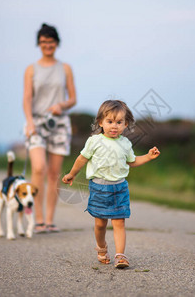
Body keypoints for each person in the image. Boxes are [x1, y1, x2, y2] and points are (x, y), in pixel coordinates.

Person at [62, 100, 160, 268]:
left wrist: (148, 157)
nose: (114, 126)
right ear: (101, 122)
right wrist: (72, 174)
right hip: (99, 188)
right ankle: (101, 247)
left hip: (120, 188)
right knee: (100, 224)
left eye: (119, 122)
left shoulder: (125, 144)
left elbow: (133, 161)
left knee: (119, 222)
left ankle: (120, 256)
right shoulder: (94, 141)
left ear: (125, 124)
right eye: (110, 121)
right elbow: (81, 159)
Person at [23, 23, 76, 233]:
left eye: (51, 42)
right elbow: (27, 98)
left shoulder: (65, 68)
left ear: (57, 43)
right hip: (36, 122)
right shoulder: (31, 69)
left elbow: (73, 98)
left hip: (59, 122)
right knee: (38, 168)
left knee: (54, 173)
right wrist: (29, 121)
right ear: (39, 44)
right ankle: (37, 219)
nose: (47, 45)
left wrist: (62, 105)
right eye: (43, 42)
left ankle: (50, 220)